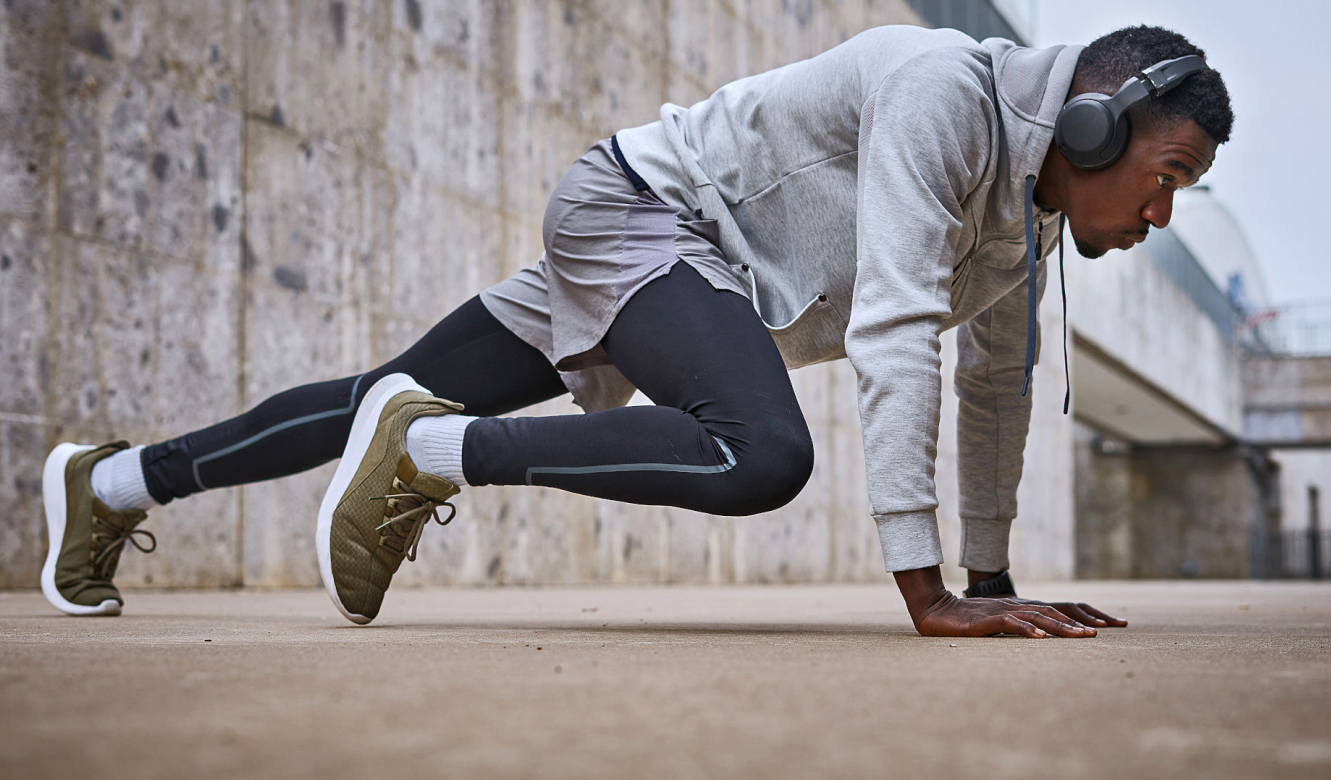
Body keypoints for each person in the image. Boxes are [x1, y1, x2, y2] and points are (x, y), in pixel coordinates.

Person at [41, 23, 1232, 635]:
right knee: (760, 452)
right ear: (1091, 126)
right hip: (644, 215)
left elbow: (993, 388)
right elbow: (896, 332)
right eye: (1167, 174)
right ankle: (430, 450)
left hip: (682, 258)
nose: (1161, 211)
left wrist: (993, 579)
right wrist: (928, 593)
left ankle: (111, 484)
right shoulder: (945, 93)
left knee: (376, 392)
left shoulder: (1022, 220)